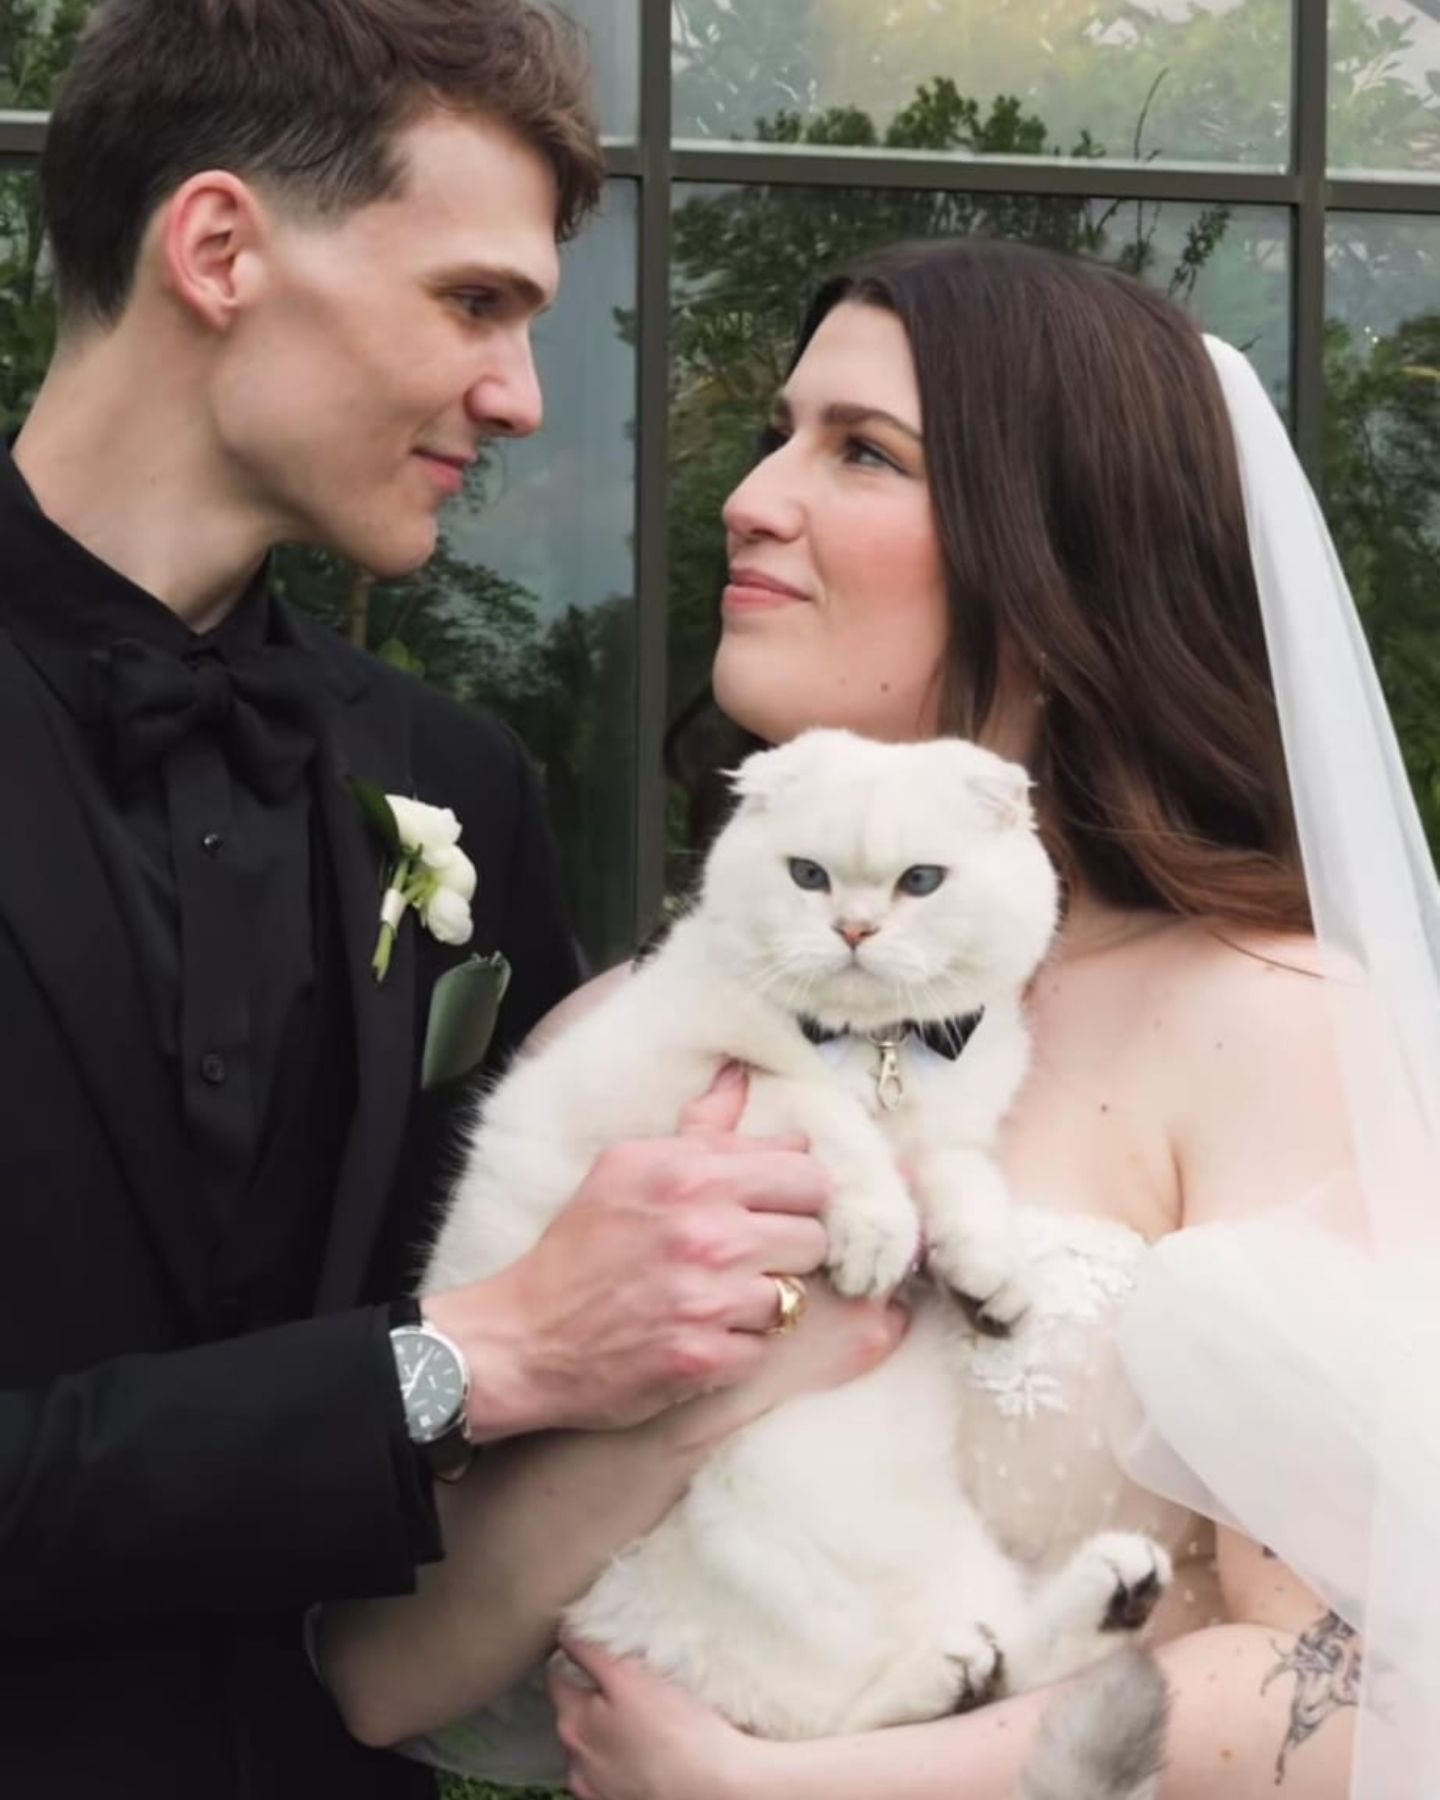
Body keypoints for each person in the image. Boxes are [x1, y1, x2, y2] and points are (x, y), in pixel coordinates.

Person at [320, 236, 1440, 1800]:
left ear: (1058, 555)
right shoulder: (623, 1035)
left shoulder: (1269, 1027)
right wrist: (671, 1410)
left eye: (859, 451)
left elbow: (1347, 1681)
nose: (752, 494)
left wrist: (772, 1791)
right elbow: (386, 1678)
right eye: (781, 432)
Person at [0, 4, 904, 1796]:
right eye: (474, 303)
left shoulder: (462, 786)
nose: (521, 398)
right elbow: (491, 1344)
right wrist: (457, 1367)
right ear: (220, 249)